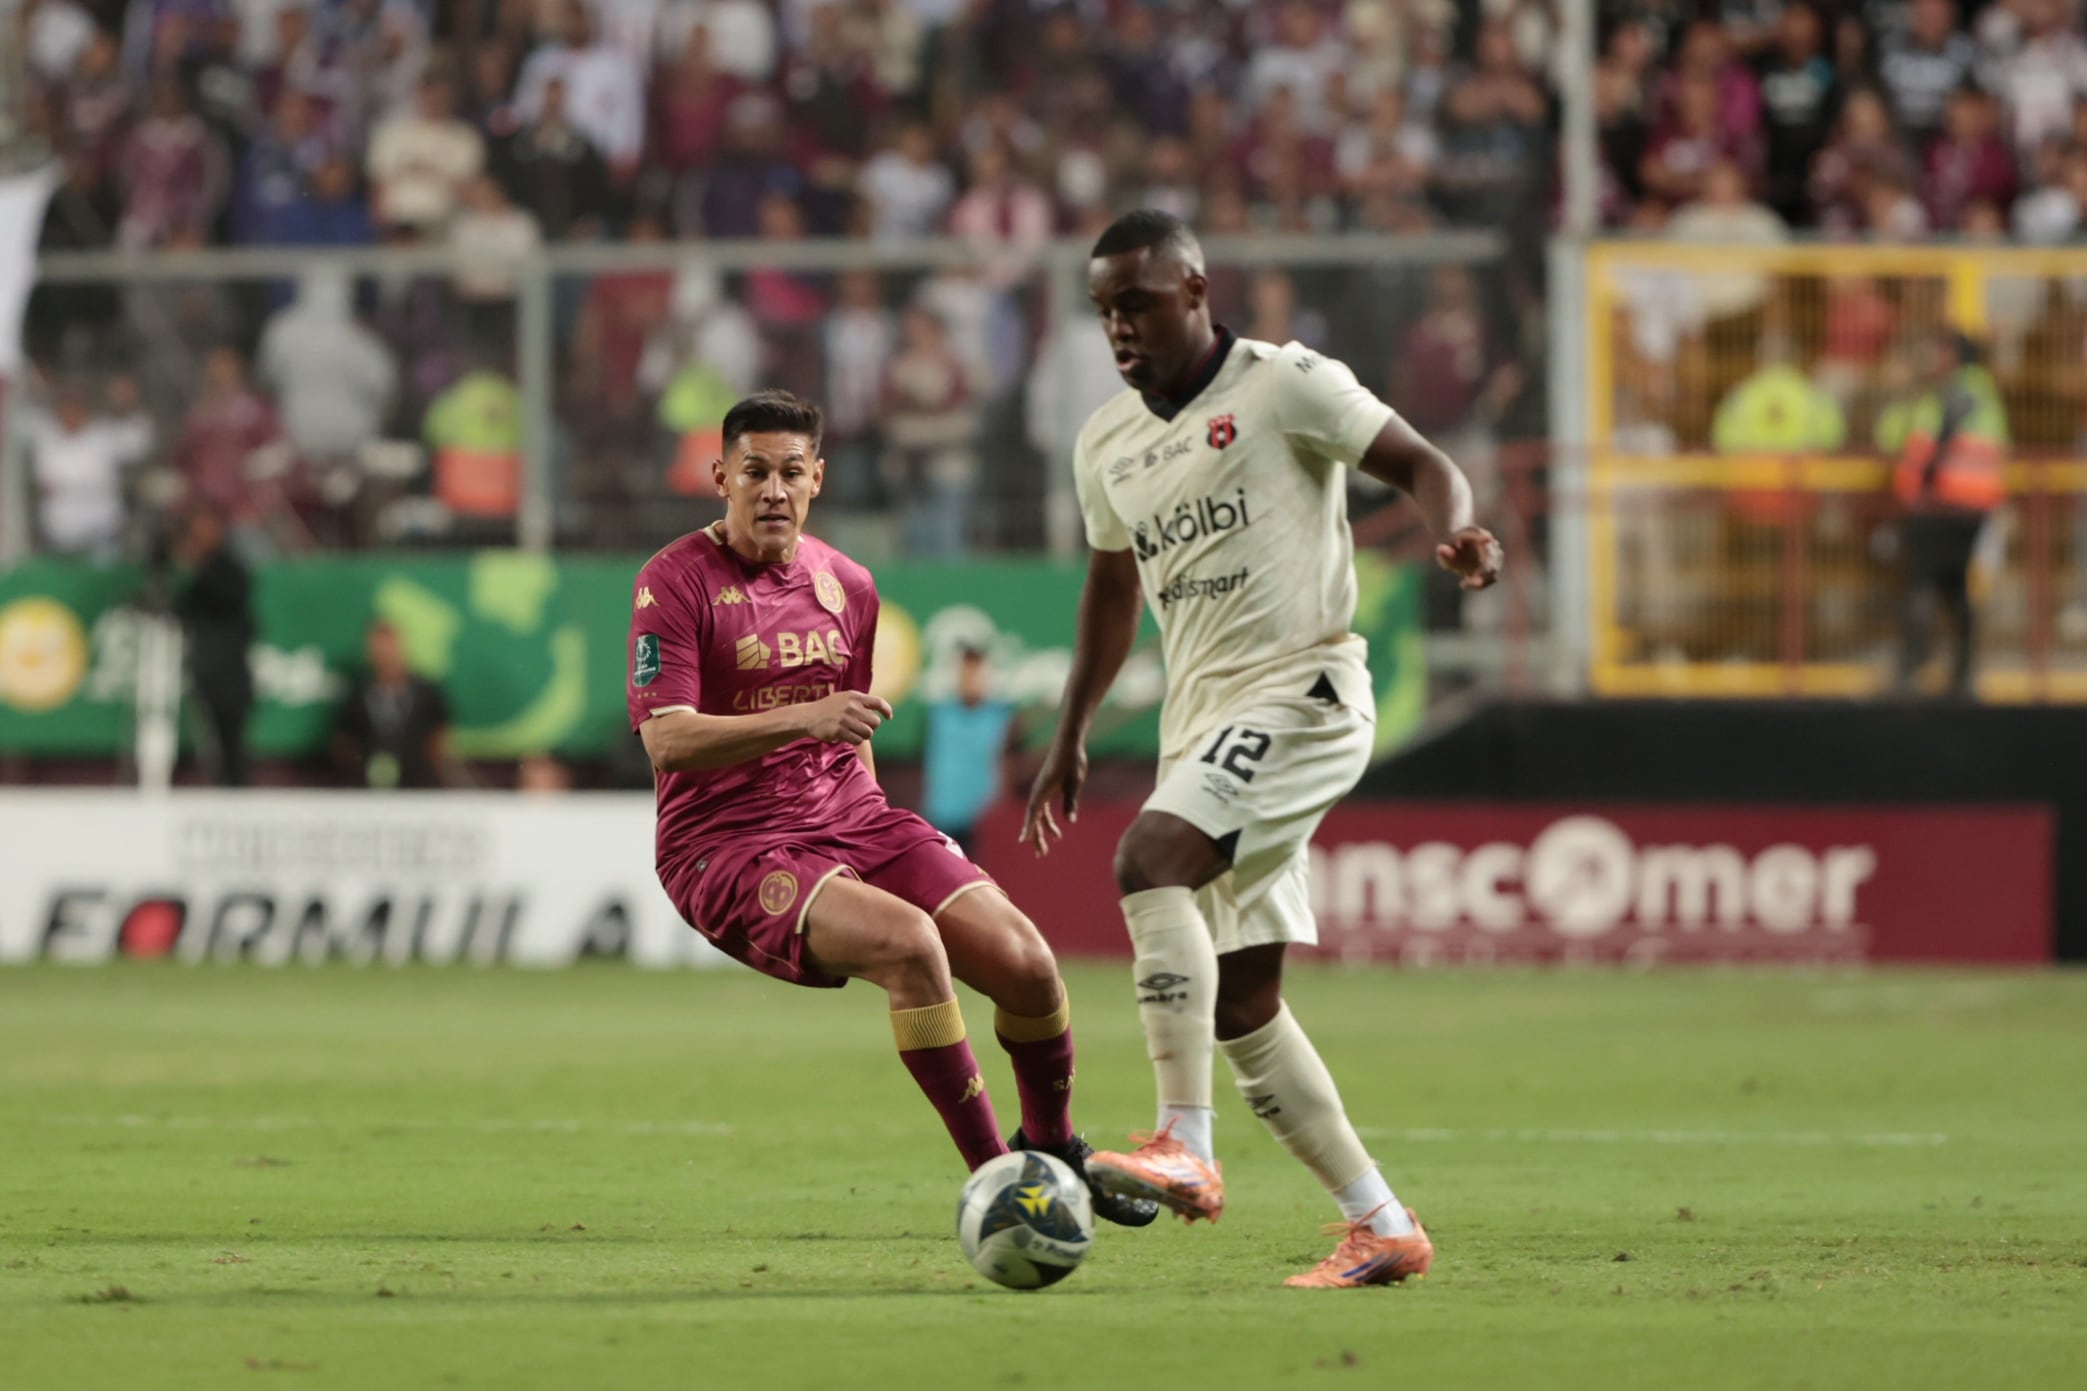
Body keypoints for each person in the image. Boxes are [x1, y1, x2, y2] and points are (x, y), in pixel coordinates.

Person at [1019, 211, 1502, 1289]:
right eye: (1104, 310)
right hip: (1202, 719)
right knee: (1240, 1003)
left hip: (1302, 686)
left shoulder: (1283, 383)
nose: (1119, 329)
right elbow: (1111, 588)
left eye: (1136, 305)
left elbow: (1420, 459)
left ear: (1194, 289)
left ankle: (1181, 1139)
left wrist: (1455, 525)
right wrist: (1070, 730)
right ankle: (1379, 1220)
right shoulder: (1104, 441)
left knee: (1148, 861)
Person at [626, 390, 1154, 1227]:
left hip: (853, 817)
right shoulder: (673, 582)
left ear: (817, 480)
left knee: (1026, 962)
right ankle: (1002, 1184)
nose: (772, 489)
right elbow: (668, 741)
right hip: (727, 845)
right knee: (911, 945)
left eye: (790, 472)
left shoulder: (848, 585)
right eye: (753, 471)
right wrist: (807, 718)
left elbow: (853, 729)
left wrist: (869, 813)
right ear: (718, 475)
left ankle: (1052, 1145)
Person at [1879, 328, 2009, 697]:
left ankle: (1913, 668)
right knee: (1953, 588)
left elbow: (1934, 435)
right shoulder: (1976, 391)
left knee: (1921, 583)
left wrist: (1924, 479)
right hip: (1967, 503)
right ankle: (1961, 674)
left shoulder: (1957, 389)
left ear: (1952, 354)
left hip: (1942, 501)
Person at [173, 507, 256, 788]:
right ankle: (223, 791)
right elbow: (183, 608)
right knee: (214, 748)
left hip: (229, 674)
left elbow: (229, 600)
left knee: (231, 746)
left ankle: (235, 801)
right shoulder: (200, 571)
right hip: (207, 672)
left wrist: (196, 566)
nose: (198, 537)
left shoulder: (228, 569)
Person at [334, 619, 454, 789]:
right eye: (378, 648)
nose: (385, 654)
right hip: (367, 786)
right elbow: (345, 742)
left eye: (389, 647)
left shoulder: (426, 691)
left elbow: (439, 737)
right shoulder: (357, 692)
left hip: (418, 784)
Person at [921, 645, 1016, 857]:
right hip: (943, 817)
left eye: (977, 671)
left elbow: (1009, 764)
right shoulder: (938, 715)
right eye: (965, 671)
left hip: (986, 819)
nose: (970, 679)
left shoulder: (1003, 717)